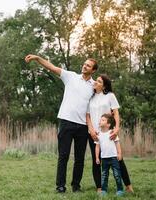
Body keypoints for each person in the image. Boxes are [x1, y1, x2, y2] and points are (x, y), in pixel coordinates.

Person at [25, 54, 98, 193]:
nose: (84, 66)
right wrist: (36, 58)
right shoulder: (70, 76)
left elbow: (101, 102)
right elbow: (51, 67)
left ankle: (76, 186)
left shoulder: (94, 86)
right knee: (63, 156)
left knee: (79, 159)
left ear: (93, 70)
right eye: (84, 63)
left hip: (83, 126)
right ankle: (60, 186)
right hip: (66, 122)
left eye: (88, 65)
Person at [86, 74, 133, 193]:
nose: (96, 82)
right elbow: (87, 116)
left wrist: (116, 128)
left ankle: (128, 185)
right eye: (96, 80)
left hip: (109, 133)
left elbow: (116, 113)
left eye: (99, 81)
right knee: (96, 160)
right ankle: (99, 188)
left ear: (104, 86)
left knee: (118, 158)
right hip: (94, 134)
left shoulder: (110, 96)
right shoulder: (89, 98)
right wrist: (91, 130)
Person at [95, 113, 124, 196]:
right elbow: (97, 147)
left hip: (113, 158)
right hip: (104, 158)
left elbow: (117, 143)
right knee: (104, 175)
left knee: (117, 174)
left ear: (108, 124)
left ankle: (120, 190)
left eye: (103, 120)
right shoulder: (99, 135)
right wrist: (97, 157)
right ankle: (104, 190)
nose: (100, 121)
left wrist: (119, 153)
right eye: (100, 119)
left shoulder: (112, 133)